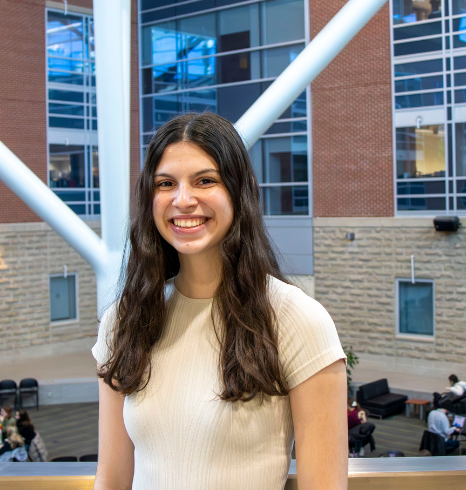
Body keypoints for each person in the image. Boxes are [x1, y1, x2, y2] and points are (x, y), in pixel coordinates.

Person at [94, 113, 347, 490]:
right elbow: (111, 479)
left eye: (205, 181)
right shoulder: (124, 320)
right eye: (166, 183)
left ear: (238, 192)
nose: (183, 200)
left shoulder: (297, 320)